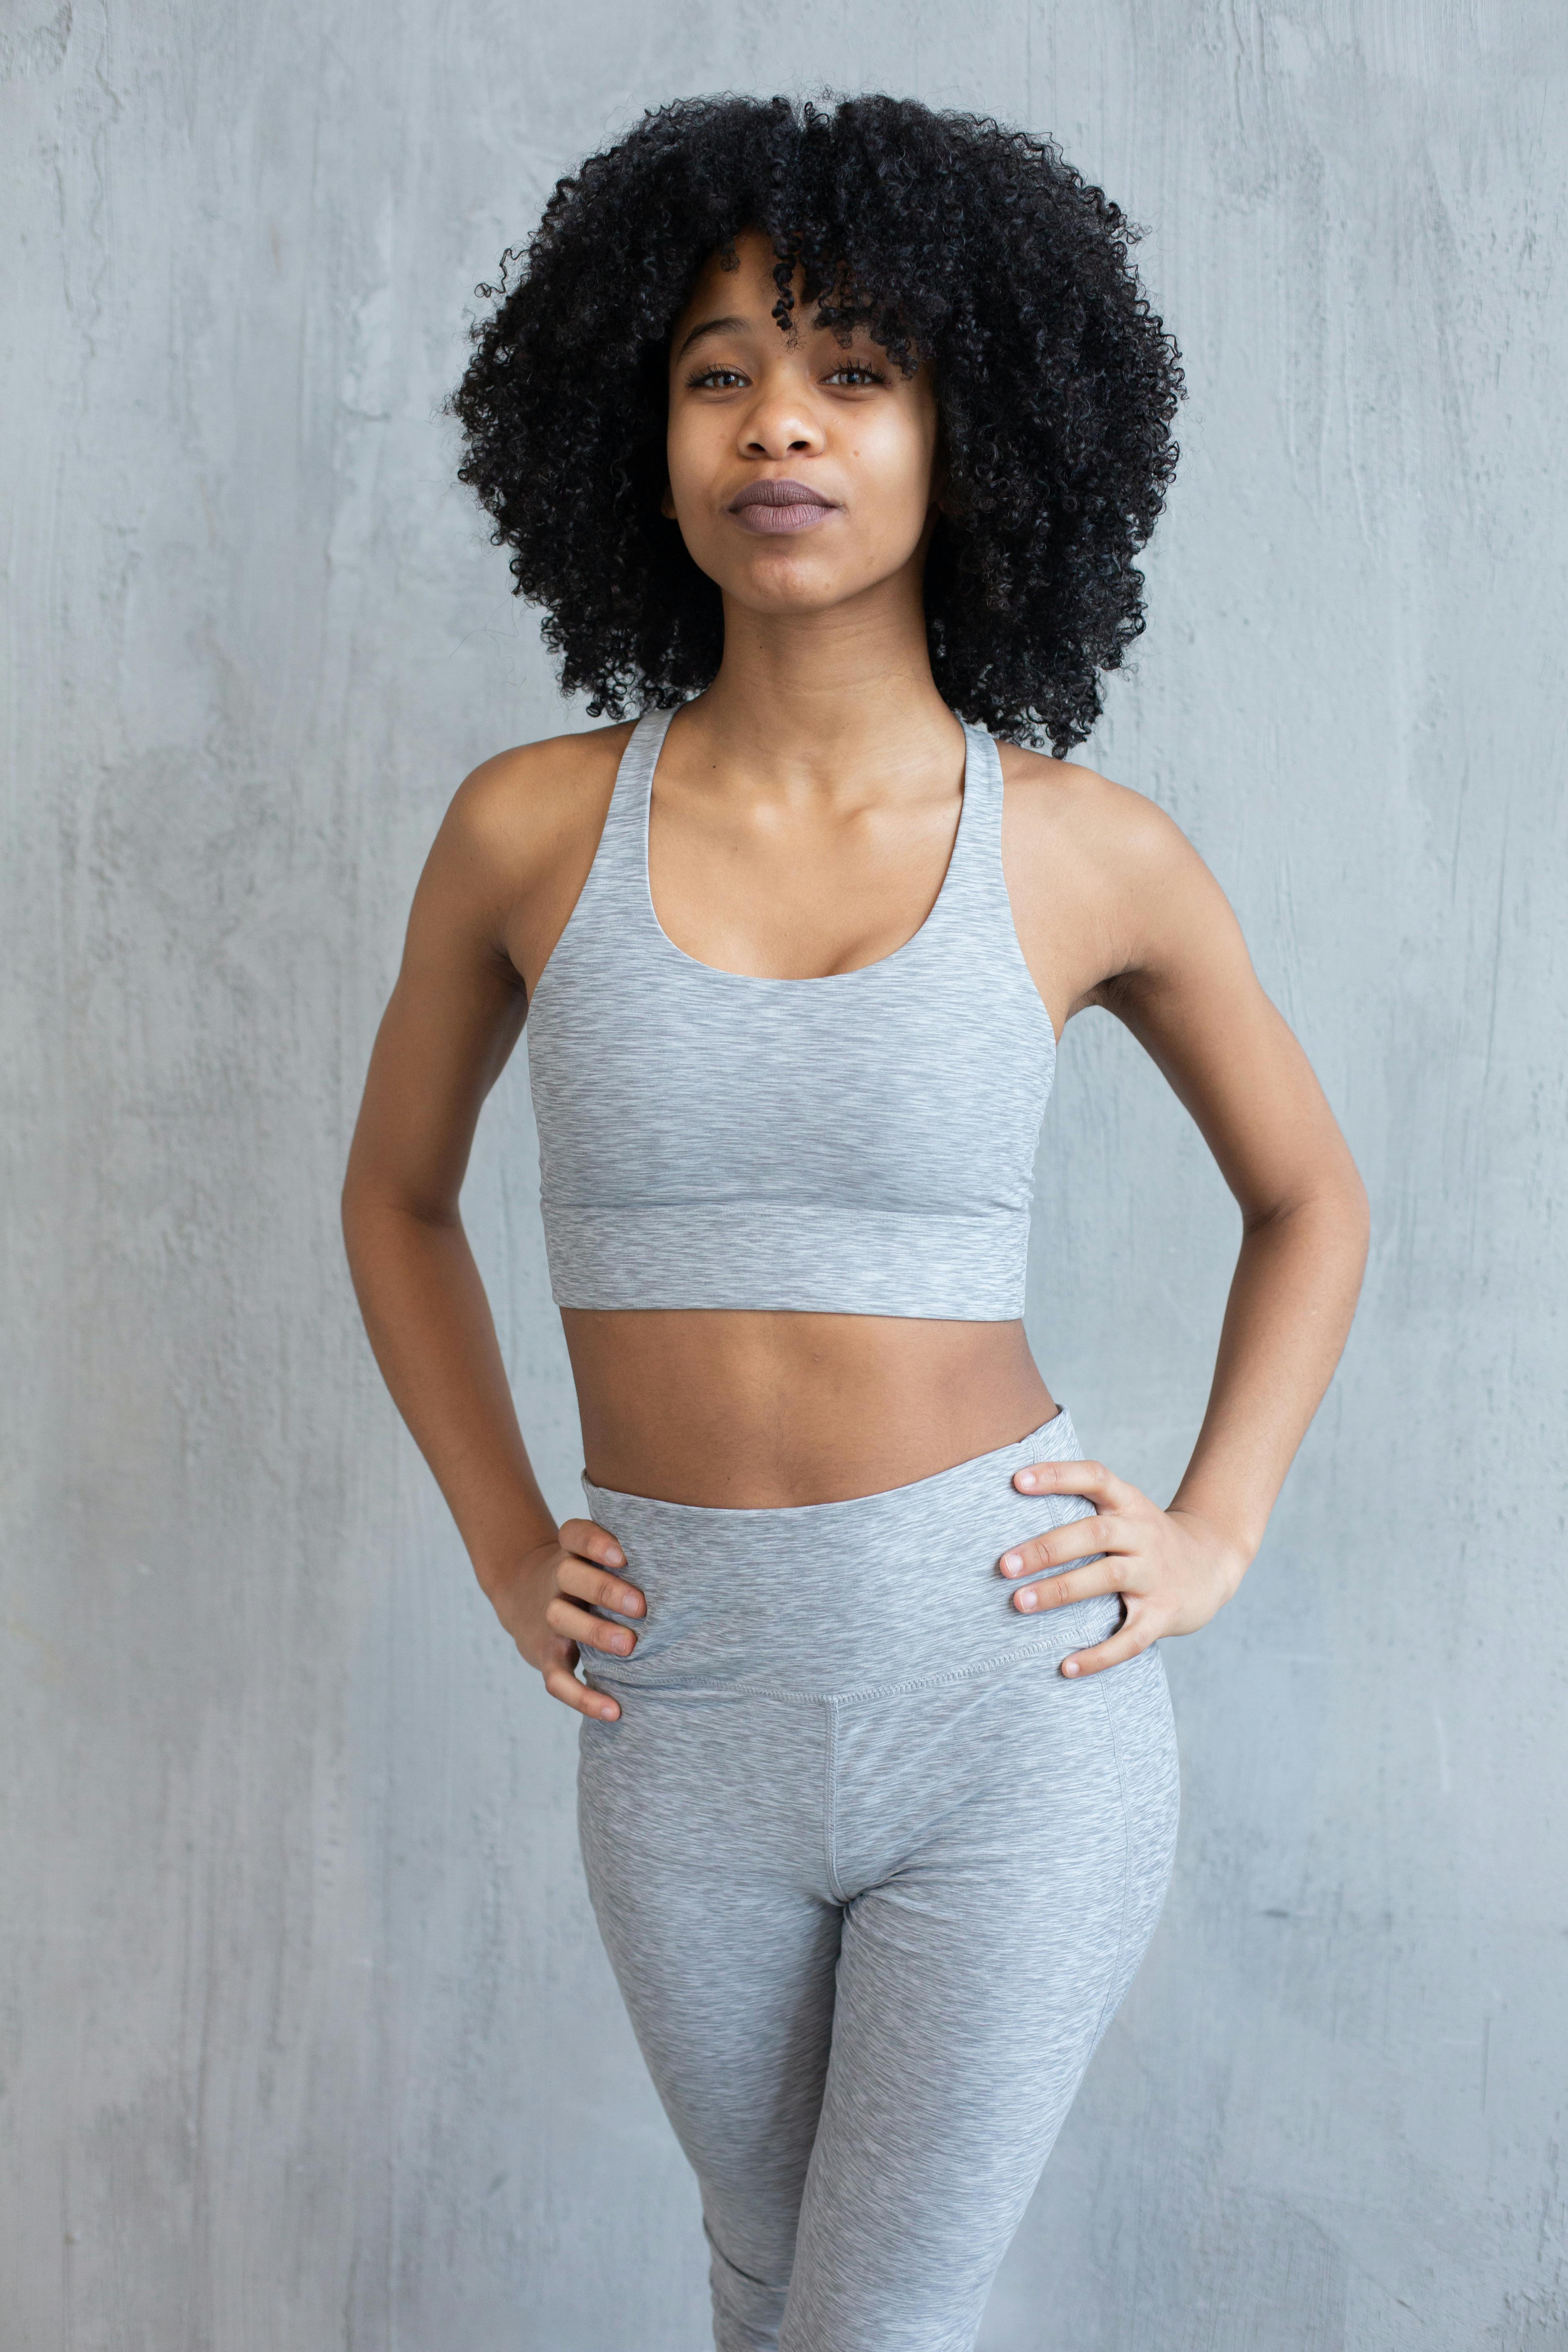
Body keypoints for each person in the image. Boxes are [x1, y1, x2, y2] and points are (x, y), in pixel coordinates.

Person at [341, 93, 1368, 2352]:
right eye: (717, 368)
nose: (776, 423)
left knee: (866, 2323)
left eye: (852, 370)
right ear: (644, 422)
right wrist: (512, 1537)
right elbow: (395, 1202)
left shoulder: (1087, 850)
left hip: (1001, 1692)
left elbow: (1309, 1197)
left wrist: (1213, 1528)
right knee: (773, 2280)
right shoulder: (528, 832)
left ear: (962, 431)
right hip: (681, 1702)